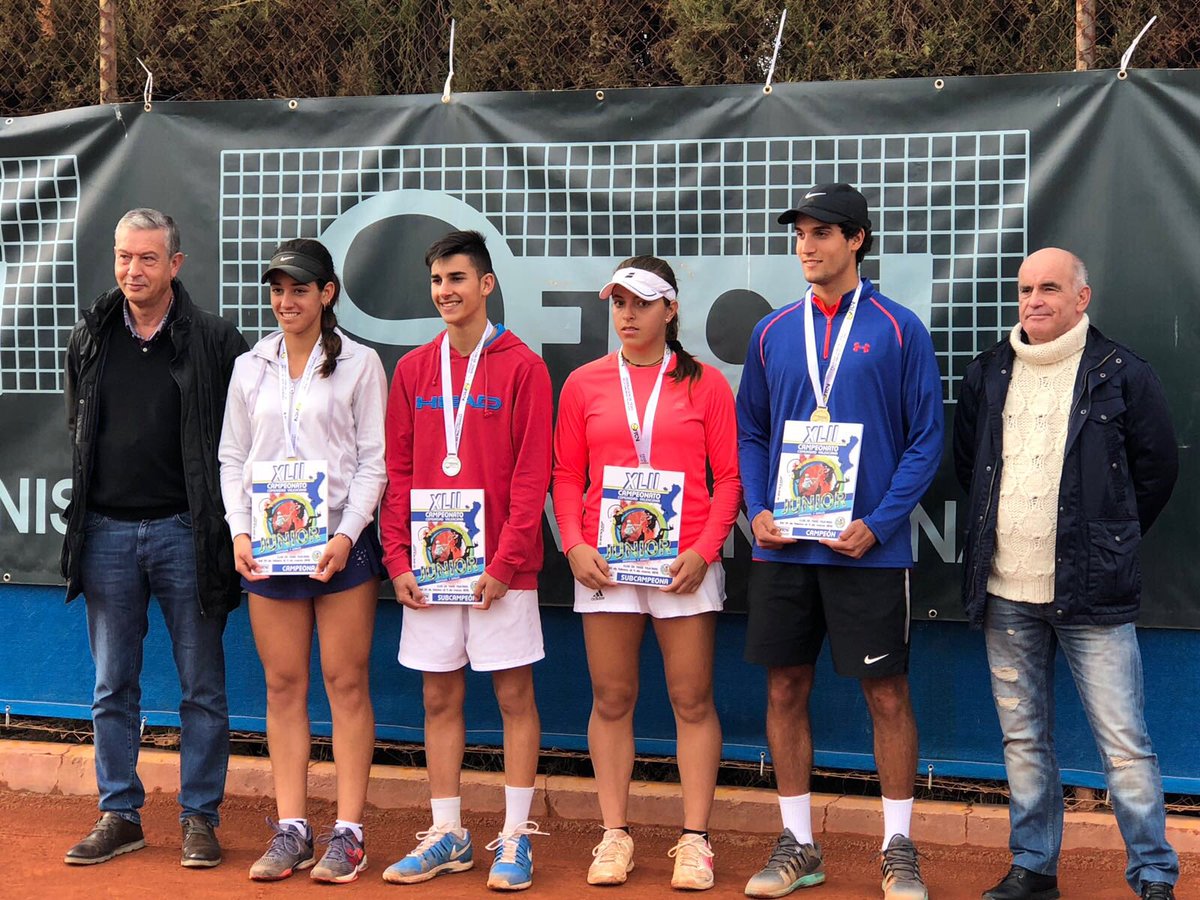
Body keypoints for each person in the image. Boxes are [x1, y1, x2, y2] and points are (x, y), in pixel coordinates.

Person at [736, 184, 943, 900]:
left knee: (886, 695)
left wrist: (879, 523)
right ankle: (798, 843)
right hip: (785, 548)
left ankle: (898, 848)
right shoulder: (771, 331)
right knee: (784, 686)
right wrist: (758, 506)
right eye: (799, 233)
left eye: (821, 232)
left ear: (856, 240)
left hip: (869, 551)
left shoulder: (899, 328)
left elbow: (926, 439)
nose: (806, 245)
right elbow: (752, 430)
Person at [953, 248, 1179, 900]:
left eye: (1049, 288)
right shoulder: (988, 372)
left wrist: (1105, 542)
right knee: (1023, 740)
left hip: (1093, 591)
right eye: (1025, 289)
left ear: (1082, 298)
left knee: (1125, 745)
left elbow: (1156, 471)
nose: (1034, 300)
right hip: (1005, 591)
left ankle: (1154, 877)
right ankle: (1034, 869)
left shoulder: (1122, 373)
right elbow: (970, 467)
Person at [60, 208, 247, 868]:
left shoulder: (216, 340)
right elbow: (79, 428)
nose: (132, 270)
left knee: (203, 688)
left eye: (147, 258)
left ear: (175, 264)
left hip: (186, 534)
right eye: (124, 256)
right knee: (112, 687)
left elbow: (239, 439)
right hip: (105, 533)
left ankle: (200, 818)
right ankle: (120, 814)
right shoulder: (89, 335)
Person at [552, 257, 741, 891]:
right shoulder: (583, 383)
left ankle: (696, 839)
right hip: (605, 566)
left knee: (691, 699)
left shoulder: (706, 383)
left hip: (683, 565)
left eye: (641, 303)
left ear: (671, 309)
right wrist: (573, 544)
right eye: (619, 303)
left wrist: (705, 551)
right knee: (611, 699)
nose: (627, 315)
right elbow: (565, 476)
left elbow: (729, 479)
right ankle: (615, 834)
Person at [379, 229, 553, 891]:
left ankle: (515, 836)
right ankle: (448, 832)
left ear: (486, 284)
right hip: (430, 569)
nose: (445, 291)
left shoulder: (524, 367)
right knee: (438, 695)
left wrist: (506, 564)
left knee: (513, 696)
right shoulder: (413, 370)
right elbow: (398, 471)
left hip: (502, 572)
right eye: (436, 281)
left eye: (457, 278)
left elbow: (532, 475)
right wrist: (398, 559)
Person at [218, 239, 388, 884]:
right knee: (284, 685)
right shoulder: (249, 366)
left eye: (300, 289)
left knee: (346, 683)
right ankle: (292, 828)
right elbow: (233, 458)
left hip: (342, 548)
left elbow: (373, 462)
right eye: (278, 290)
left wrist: (347, 534)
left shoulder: (362, 364)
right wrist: (240, 532)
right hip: (268, 547)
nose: (286, 301)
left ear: (327, 294)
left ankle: (349, 833)